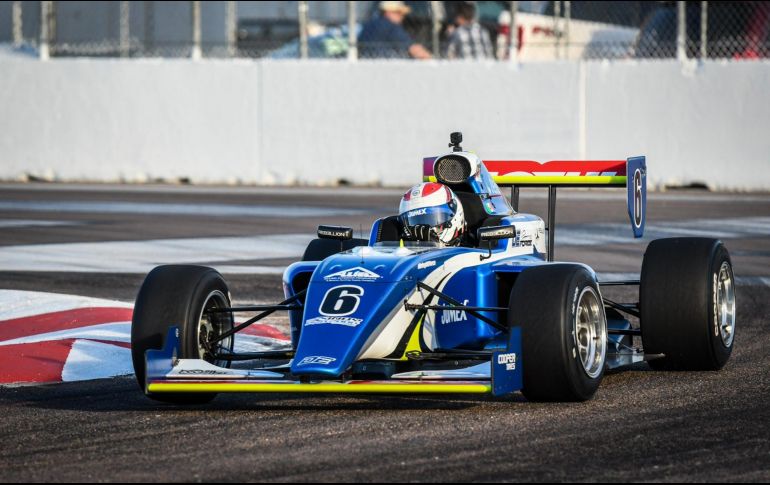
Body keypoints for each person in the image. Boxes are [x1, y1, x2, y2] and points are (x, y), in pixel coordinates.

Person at [398, 182, 466, 246]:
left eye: (430, 219)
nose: (422, 230)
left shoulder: (473, 251)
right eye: (415, 221)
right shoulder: (401, 251)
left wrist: (436, 247)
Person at [358, 1, 432, 60]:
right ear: (388, 12)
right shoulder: (390, 26)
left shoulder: (368, 24)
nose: (402, 16)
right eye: (399, 12)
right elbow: (415, 50)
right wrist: (432, 60)